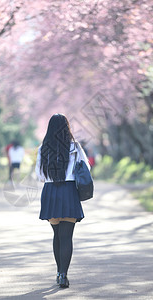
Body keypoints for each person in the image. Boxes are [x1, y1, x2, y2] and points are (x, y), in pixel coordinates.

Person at [35, 114, 90, 288]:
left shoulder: (43, 148)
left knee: (57, 235)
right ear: (66, 128)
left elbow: (39, 176)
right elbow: (86, 168)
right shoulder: (75, 147)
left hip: (50, 192)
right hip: (69, 192)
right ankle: (63, 275)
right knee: (66, 237)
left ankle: (58, 272)